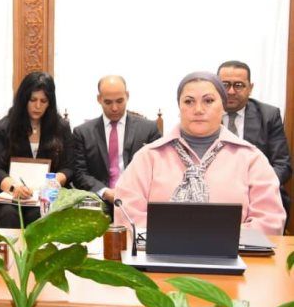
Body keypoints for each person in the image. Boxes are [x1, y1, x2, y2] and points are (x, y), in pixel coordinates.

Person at [115, 72, 284, 235]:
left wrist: (215, 238)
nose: (198, 109)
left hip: (236, 253)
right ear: (179, 107)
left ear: (223, 106)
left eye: (208, 101)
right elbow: (126, 216)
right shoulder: (148, 157)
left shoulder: (251, 158)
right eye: (189, 101)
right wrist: (178, 237)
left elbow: (270, 222)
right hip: (159, 253)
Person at [0, 71, 74, 228]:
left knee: (39, 214)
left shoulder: (61, 128)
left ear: (50, 103)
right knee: (9, 215)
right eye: (33, 100)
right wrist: (13, 187)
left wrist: (53, 182)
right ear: (23, 99)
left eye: (43, 101)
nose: (38, 106)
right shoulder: (4, 127)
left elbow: (68, 167)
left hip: (47, 196)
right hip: (9, 195)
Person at [217, 60, 292, 224]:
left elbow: (282, 165)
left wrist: (257, 187)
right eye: (225, 85)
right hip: (216, 195)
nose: (231, 91)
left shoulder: (268, 116)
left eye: (238, 85)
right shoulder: (203, 114)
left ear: (250, 88)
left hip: (259, 193)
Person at [72, 75, 161, 209]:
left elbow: (158, 169)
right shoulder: (83, 133)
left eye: (120, 101)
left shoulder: (148, 130)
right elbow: (79, 173)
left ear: (127, 96)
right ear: (99, 99)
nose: (114, 108)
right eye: (108, 102)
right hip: (98, 203)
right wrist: (105, 192)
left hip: (139, 202)